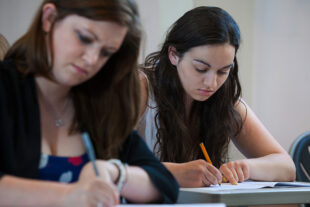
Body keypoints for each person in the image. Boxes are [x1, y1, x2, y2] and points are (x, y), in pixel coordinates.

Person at [0, 0, 179, 206]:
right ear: (49, 18)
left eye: (106, 52)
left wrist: (114, 171)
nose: (92, 59)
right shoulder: (6, 87)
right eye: (84, 39)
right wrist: (68, 196)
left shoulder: (96, 102)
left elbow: (165, 185)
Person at [138, 6, 296, 188]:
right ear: (173, 55)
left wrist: (247, 167)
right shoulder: (141, 87)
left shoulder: (225, 99)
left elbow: (287, 167)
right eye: (201, 69)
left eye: (223, 71)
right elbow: (108, 166)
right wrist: (172, 172)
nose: (211, 83)